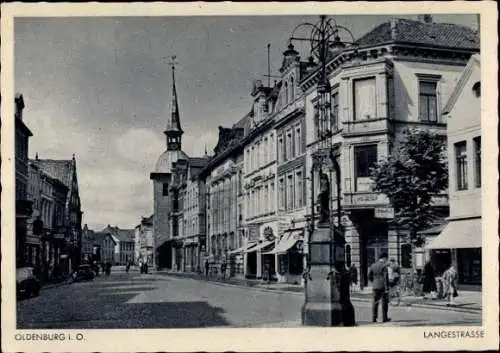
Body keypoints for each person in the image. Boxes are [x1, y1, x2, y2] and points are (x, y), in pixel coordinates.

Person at [368, 253, 391, 323]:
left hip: (375, 286)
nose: (386, 260)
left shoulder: (373, 265)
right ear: (384, 258)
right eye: (386, 259)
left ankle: (374, 318)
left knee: (375, 302)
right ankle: (384, 318)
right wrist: (387, 287)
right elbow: (385, 277)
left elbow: (369, 276)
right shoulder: (384, 266)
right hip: (382, 286)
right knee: (384, 303)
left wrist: (374, 282)